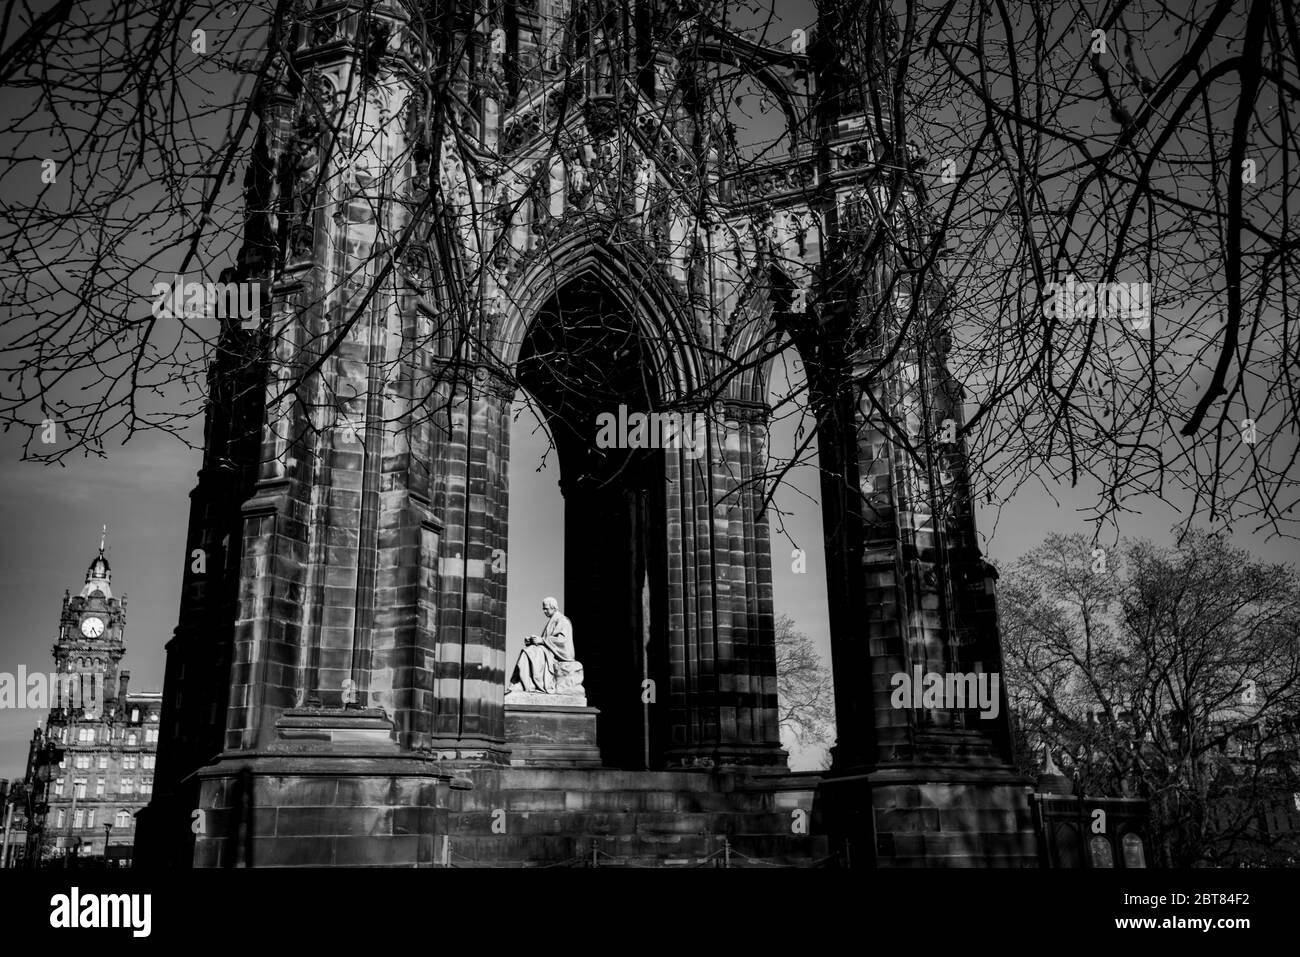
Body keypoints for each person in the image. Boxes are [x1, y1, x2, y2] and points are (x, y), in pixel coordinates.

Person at [505, 597, 574, 694]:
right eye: (543, 609)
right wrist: (532, 641)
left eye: (546, 609)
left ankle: (526, 684)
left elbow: (562, 641)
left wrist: (542, 640)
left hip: (557, 653)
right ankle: (520, 682)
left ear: (553, 608)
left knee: (530, 652)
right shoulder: (552, 620)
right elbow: (546, 640)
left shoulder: (562, 621)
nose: (544, 611)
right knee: (528, 650)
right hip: (547, 650)